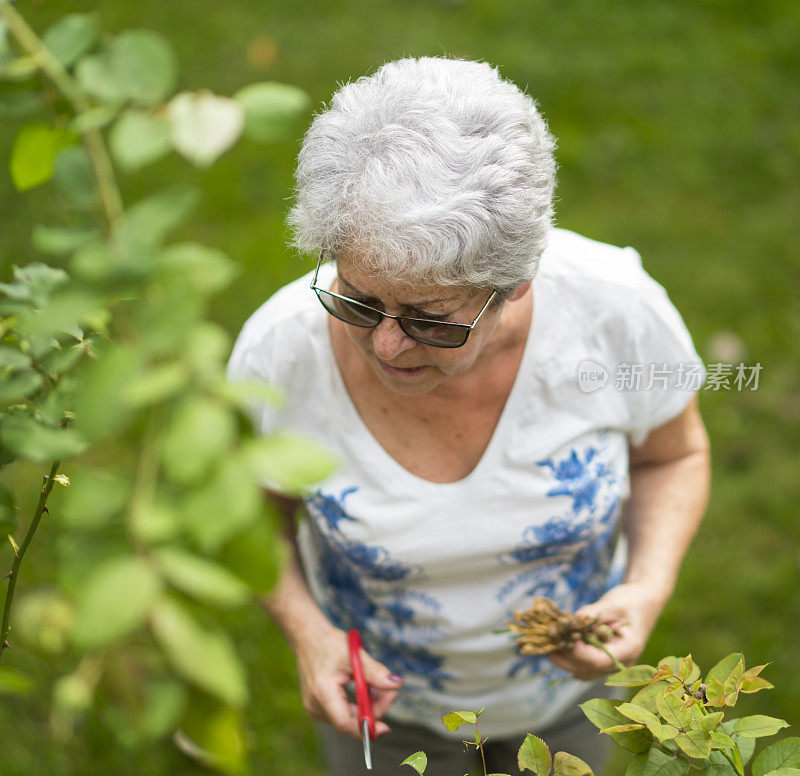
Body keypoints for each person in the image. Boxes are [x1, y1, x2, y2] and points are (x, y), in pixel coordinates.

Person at [227, 57, 711, 776]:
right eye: (358, 298)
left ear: (515, 283)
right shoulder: (279, 355)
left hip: (575, 704)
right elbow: (243, 512)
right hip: (387, 722)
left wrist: (647, 586)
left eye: (430, 318)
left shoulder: (618, 313)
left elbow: (673, 455)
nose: (386, 343)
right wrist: (309, 630)